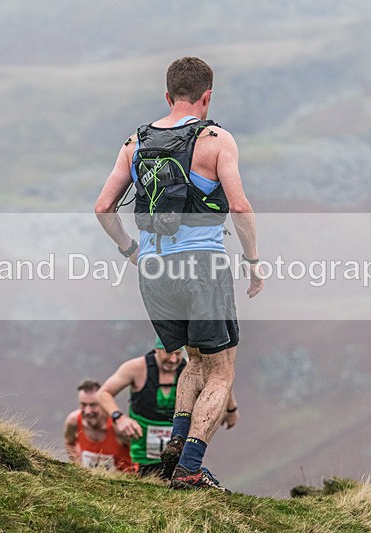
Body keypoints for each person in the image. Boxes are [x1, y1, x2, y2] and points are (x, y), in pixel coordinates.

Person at [95, 57, 263, 492]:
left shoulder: (135, 142)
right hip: (202, 266)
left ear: (167, 96)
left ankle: (175, 447)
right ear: (207, 97)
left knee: (194, 359)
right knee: (222, 370)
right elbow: (239, 206)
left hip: (153, 270)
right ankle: (189, 468)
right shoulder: (215, 140)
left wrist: (130, 249)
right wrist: (252, 261)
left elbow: (103, 207)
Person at [96, 337, 239, 479]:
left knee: (178, 485)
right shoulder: (136, 368)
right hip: (143, 452)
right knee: (146, 486)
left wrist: (231, 409)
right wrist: (119, 418)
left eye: (178, 354)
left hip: (178, 447)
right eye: (168, 353)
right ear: (156, 350)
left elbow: (217, 381)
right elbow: (103, 393)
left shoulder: (191, 369)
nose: (173, 360)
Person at [63, 379, 133, 472]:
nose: (88, 411)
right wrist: (78, 464)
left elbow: (141, 452)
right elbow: (69, 442)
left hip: (126, 479)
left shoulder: (119, 427)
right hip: (92, 479)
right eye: (83, 405)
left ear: (103, 404)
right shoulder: (73, 421)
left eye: (93, 405)